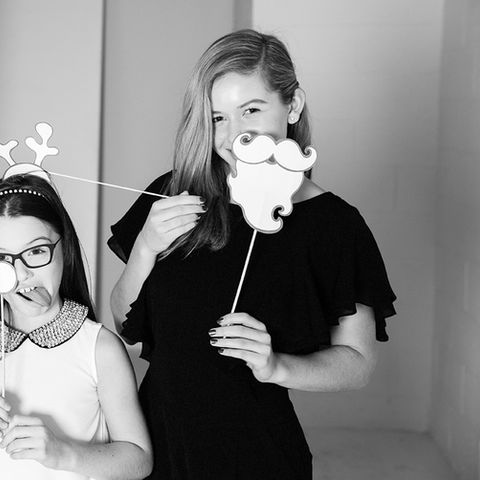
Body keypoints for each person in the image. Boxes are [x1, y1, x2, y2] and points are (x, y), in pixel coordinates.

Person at [109, 29, 396, 479]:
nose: (233, 136)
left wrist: (276, 365)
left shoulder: (336, 226)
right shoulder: (173, 193)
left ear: (292, 106)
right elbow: (124, 326)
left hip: (256, 455)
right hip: (157, 445)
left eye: (252, 110)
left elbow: (356, 364)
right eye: (218, 118)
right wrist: (146, 246)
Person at [0, 174, 153, 480]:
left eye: (36, 251)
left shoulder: (98, 347)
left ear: (64, 248)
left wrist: (62, 453)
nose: (22, 274)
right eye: (3, 258)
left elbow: (139, 460)